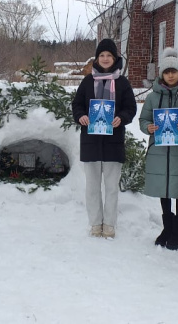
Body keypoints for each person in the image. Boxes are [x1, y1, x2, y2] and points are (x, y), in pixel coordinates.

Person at [71, 38, 137, 239]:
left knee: (111, 188)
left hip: (113, 142)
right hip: (90, 141)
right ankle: (95, 224)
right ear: (97, 58)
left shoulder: (122, 82)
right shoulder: (88, 81)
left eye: (109, 55)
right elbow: (77, 105)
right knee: (92, 188)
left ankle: (109, 224)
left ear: (115, 58)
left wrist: (121, 118)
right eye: (102, 55)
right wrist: (81, 116)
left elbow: (130, 108)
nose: (106, 59)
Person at [138, 47, 178, 250]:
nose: (170, 75)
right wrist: (148, 127)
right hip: (159, 150)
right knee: (164, 188)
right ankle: (167, 227)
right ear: (162, 74)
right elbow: (143, 119)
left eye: (173, 71)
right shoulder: (153, 97)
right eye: (166, 72)